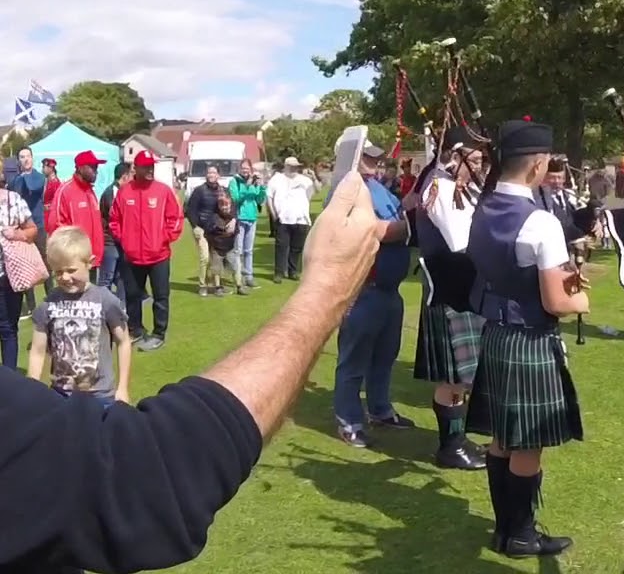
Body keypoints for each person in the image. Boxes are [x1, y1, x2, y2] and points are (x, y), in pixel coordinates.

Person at [0, 170, 378, 573]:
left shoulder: (106, 296)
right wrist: (328, 285)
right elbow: (138, 475)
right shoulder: (50, 305)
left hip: (100, 387)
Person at [465, 118, 588, 559]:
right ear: (538, 166)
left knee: (502, 437)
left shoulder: (484, 208)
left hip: (496, 334)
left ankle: (505, 529)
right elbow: (556, 300)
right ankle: (521, 534)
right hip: (530, 340)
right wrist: (580, 302)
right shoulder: (541, 222)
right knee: (528, 444)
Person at [411, 126, 489, 469]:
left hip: (467, 288)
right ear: (455, 157)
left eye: (481, 159)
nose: (479, 166)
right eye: (473, 159)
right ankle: (450, 447)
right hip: (450, 290)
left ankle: (458, 439)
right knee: (453, 378)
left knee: (463, 378)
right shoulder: (440, 188)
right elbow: (460, 242)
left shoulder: (466, 188)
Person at [330, 143, 415, 448]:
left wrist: (412, 208)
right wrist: (412, 226)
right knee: (353, 360)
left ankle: (380, 409)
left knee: (384, 356)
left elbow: (395, 214)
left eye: (377, 158)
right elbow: (375, 230)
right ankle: (349, 419)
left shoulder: (378, 188)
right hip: (363, 290)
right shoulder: (347, 192)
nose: (376, 162)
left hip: (390, 291)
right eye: (368, 157)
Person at [27, 226, 132, 410]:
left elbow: (123, 342)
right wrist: (32, 390)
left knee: (102, 439)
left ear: (89, 263)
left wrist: (122, 388)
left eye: (71, 270)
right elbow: (37, 350)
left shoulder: (105, 300)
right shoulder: (48, 304)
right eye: (58, 272)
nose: (65, 277)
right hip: (61, 396)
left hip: (101, 396)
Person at [110, 152, 183, 352]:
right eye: (146, 166)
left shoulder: (163, 191)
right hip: (132, 256)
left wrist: (164, 239)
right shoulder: (125, 192)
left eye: (152, 166)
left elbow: (176, 217)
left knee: (161, 296)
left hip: (158, 255)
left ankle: (159, 333)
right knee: (133, 296)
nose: (150, 169)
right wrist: (124, 239)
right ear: (136, 168)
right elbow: (114, 219)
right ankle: (136, 329)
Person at [0, 169, 37, 369]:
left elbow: (32, 230)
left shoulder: (14, 200)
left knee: (8, 329)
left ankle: (8, 381)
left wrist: (15, 235)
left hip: (12, 274)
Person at [48, 150, 107, 272]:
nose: (96, 171)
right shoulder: (65, 191)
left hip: (92, 259)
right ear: (80, 168)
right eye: (92, 167)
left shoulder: (90, 191)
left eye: (96, 167)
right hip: (74, 262)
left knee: (91, 291)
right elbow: (56, 226)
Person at [11, 146, 52, 307]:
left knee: (45, 262)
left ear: (32, 158)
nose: (26, 159)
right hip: (22, 227)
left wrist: (22, 177)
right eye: (22, 157)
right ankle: (31, 304)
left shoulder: (39, 177)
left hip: (38, 225)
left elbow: (32, 188)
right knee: (25, 263)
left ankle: (51, 296)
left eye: (28, 156)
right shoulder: (15, 180)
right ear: (18, 161)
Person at [267, 156, 316, 283]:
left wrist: (314, 177)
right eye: (292, 166)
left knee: (297, 247)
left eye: (296, 166)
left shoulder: (305, 180)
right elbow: (269, 198)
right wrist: (274, 216)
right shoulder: (276, 179)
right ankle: (279, 272)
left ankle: (293, 271)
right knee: (281, 247)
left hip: (301, 219)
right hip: (283, 219)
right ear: (286, 166)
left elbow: (318, 189)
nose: (294, 169)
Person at [185, 165, 224, 297]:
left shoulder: (223, 191)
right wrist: (195, 226)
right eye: (209, 172)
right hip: (201, 229)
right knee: (205, 258)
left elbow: (227, 209)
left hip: (217, 230)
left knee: (216, 258)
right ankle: (203, 285)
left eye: (214, 172)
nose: (211, 175)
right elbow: (190, 210)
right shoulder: (199, 191)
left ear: (218, 175)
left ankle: (217, 285)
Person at [228, 159, 266, 288]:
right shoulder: (234, 182)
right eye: (243, 168)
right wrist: (247, 186)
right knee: (238, 250)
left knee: (249, 250)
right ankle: (238, 277)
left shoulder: (254, 180)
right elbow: (235, 199)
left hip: (252, 218)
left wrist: (261, 187)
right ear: (239, 169)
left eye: (247, 168)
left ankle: (249, 276)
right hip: (239, 218)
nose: (245, 171)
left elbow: (260, 200)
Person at [203, 191, 247, 296]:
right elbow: (208, 230)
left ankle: (239, 286)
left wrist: (233, 227)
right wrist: (220, 228)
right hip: (217, 246)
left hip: (230, 246)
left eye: (226, 205)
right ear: (218, 206)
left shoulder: (233, 217)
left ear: (230, 205)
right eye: (222, 205)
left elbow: (237, 230)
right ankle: (217, 287)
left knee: (235, 266)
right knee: (216, 267)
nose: (224, 207)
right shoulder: (214, 216)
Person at [98, 162, 132, 296]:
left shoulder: (123, 191)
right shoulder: (111, 193)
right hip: (110, 242)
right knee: (107, 277)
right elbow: (115, 217)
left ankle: (121, 307)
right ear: (124, 176)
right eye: (130, 176)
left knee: (122, 276)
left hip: (121, 242)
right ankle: (102, 308)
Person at [42, 157, 61, 230]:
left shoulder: (55, 183)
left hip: (50, 215)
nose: (43, 170)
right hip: (46, 214)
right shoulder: (48, 181)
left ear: (50, 168)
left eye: (44, 167)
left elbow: (57, 201)